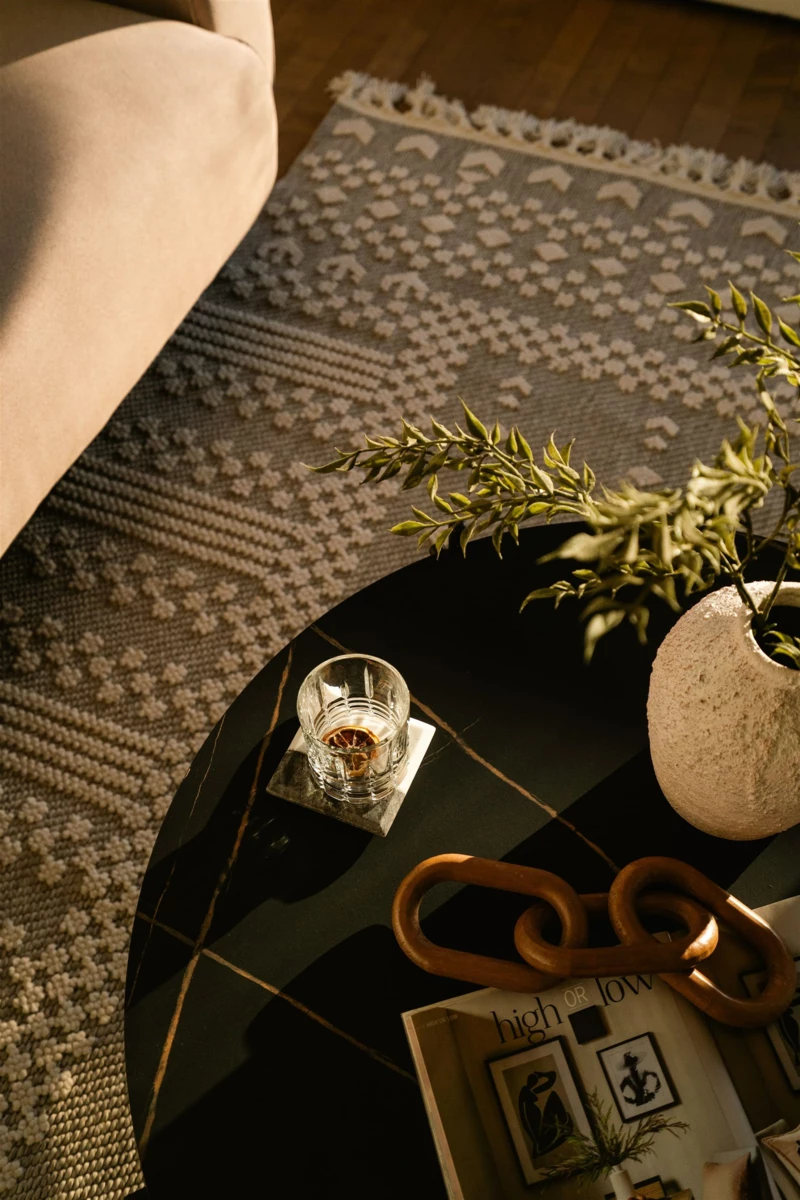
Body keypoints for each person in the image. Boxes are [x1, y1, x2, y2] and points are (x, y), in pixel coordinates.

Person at [517, 1070, 572, 1160]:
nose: (538, 1082)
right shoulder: (527, 1094)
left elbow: (551, 1080)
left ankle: (563, 1123)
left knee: (553, 1097)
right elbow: (544, 1087)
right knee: (553, 1098)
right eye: (536, 1081)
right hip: (541, 1134)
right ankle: (563, 1124)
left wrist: (543, 1074)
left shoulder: (530, 1093)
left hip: (542, 1131)